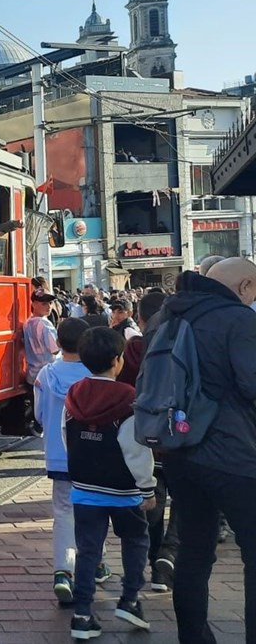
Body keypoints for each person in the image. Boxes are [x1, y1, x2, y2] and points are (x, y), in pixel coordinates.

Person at [158, 258, 256, 644]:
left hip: (179, 452)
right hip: (234, 455)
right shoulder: (238, 320)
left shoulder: (168, 316)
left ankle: (194, 638)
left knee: (194, 551)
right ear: (245, 286)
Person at [63, 327, 155, 640]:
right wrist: (148, 488)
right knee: (135, 541)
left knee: (88, 550)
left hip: (84, 487)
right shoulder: (128, 399)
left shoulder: (74, 394)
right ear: (118, 360)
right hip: (124, 490)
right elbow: (136, 450)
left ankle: (82, 614)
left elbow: (68, 438)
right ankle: (130, 599)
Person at [116, 290, 177, 592]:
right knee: (186, 501)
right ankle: (169, 555)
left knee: (153, 497)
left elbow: (125, 390)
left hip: (146, 437)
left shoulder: (133, 348)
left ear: (139, 319)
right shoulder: (182, 343)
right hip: (181, 435)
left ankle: (154, 559)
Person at [33, 317, 93, 604]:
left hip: (59, 456)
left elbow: (38, 415)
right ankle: (96, 563)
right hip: (93, 454)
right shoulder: (96, 374)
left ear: (58, 342)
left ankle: (62, 571)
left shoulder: (46, 374)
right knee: (94, 510)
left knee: (63, 512)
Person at [15, 290, 59, 436]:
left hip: (32, 373)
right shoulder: (45, 324)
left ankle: (38, 427)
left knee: (37, 406)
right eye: (44, 303)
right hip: (48, 372)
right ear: (33, 304)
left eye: (50, 303)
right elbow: (55, 349)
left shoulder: (27, 323)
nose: (49, 307)